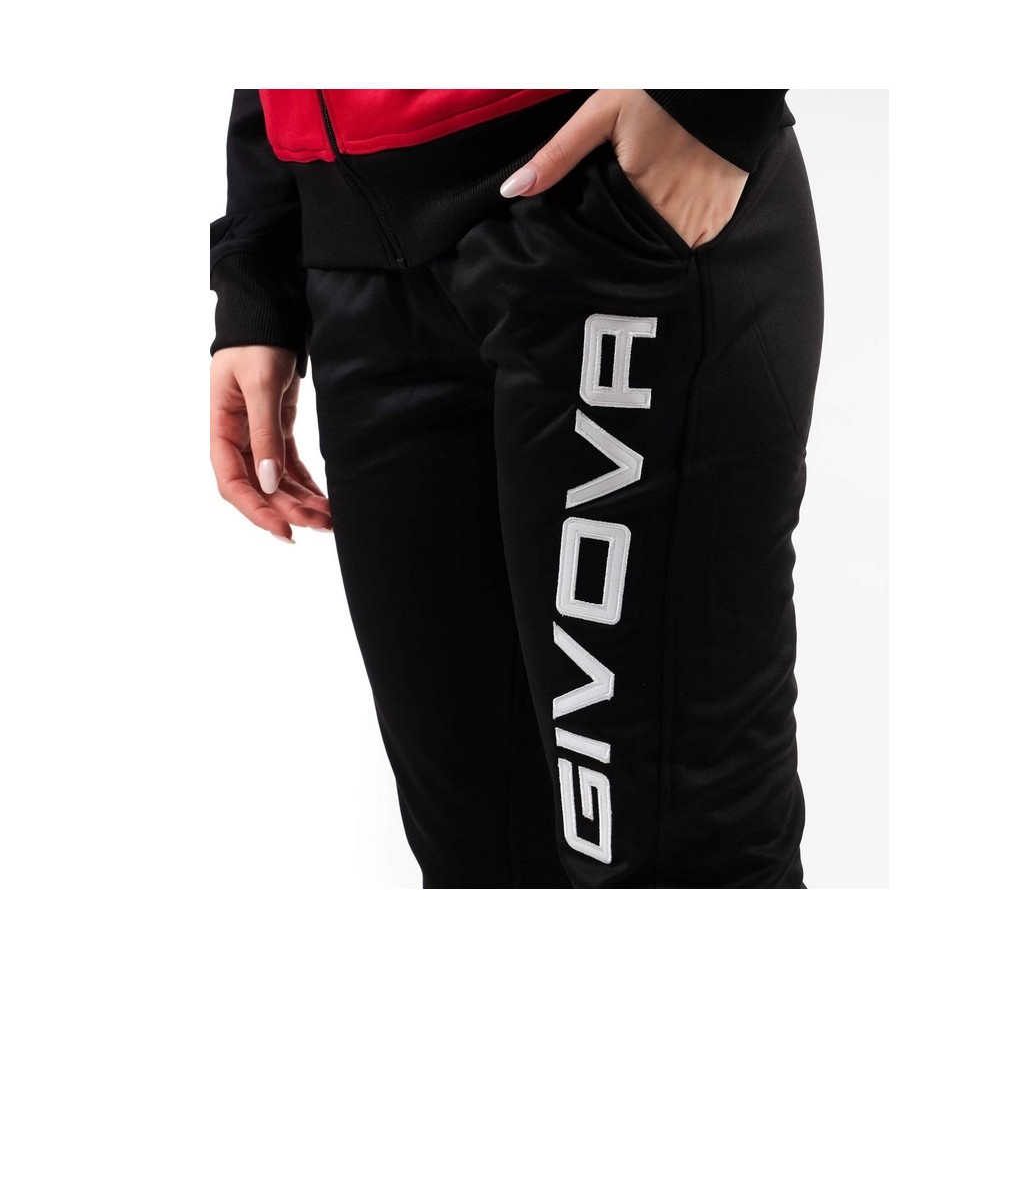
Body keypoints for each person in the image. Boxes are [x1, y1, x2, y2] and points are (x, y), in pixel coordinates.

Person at [209, 89, 824, 888]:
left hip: (600, 204)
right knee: (479, 864)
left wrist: (706, 98)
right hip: (355, 264)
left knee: (675, 861)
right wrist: (258, 267)